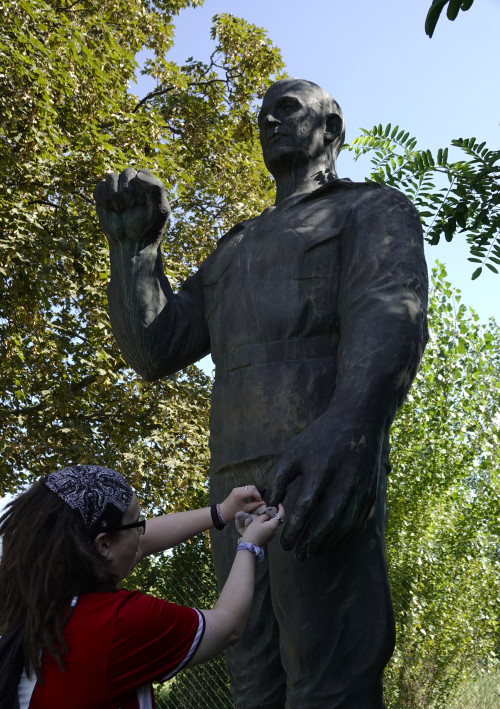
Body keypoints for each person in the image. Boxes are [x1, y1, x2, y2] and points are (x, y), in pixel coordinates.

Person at [94, 78, 429, 708]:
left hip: (321, 461)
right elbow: (154, 350)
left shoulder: (370, 210)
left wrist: (352, 426)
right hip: (236, 485)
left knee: (327, 673)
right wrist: (133, 250)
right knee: (251, 672)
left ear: (330, 129)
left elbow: (390, 313)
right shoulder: (233, 248)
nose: (269, 121)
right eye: (263, 114)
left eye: (288, 110)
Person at [0, 464, 284, 709]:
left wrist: (222, 511)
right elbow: (228, 626)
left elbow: (137, 543)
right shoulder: (118, 622)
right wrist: (249, 543)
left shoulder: (31, 603)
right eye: (136, 524)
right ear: (103, 544)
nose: (142, 535)